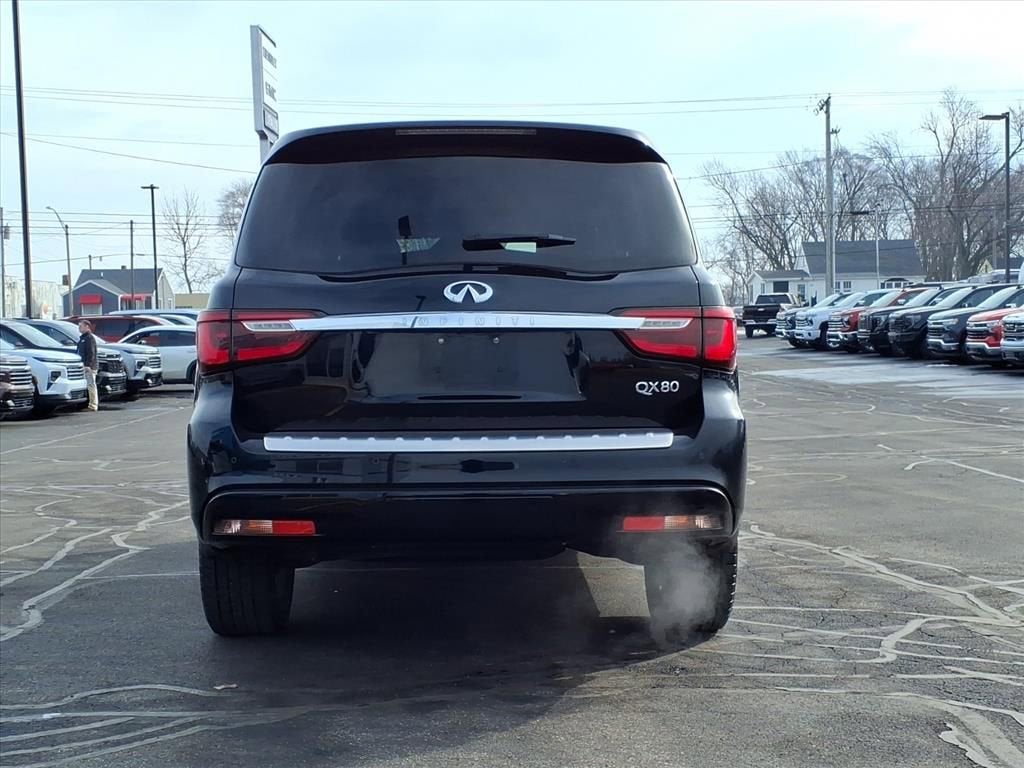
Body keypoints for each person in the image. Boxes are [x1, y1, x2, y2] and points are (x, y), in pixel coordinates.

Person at [77, 319, 99, 412]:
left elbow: (91, 353)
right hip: (83, 365)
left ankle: (93, 405)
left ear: (87, 327)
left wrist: (88, 365)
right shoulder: (82, 338)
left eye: (81, 326)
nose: (79, 328)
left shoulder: (89, 338)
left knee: (91, 385)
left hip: (89, 367)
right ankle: (87, 403)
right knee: (87, 385)